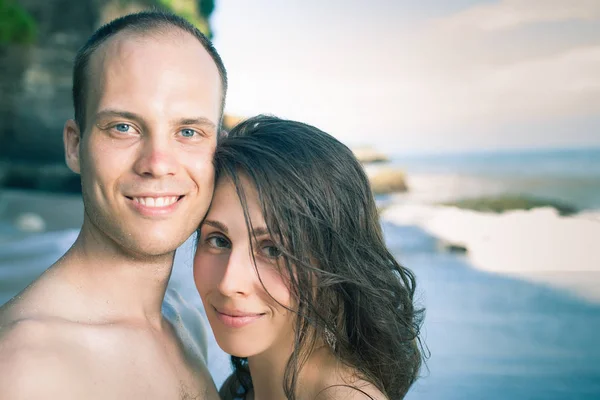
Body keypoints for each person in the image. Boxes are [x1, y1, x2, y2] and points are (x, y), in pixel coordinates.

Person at [0, 11, 227, 399]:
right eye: (123, 127)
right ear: (75, 145)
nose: (157, 163)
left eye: (188, 132)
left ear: (217, 149)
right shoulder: (24, 367)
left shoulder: (183, 318)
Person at [194, 115, 425, 399]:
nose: (228, 283)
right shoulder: (241, 388)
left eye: (273, 250)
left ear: (334, 262)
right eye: (219, 240)